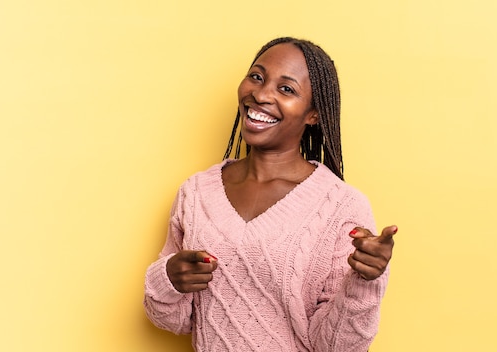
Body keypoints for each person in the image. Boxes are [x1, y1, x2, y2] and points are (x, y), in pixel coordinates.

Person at [144, 37, 397, 352]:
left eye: (287, 89)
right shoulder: (195, 193)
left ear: (313, 114)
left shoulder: (341, 206)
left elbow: (337, 347)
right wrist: (169, 279)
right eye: (256, 77)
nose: (261, 94)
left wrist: (365, 281)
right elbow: (175, 321)